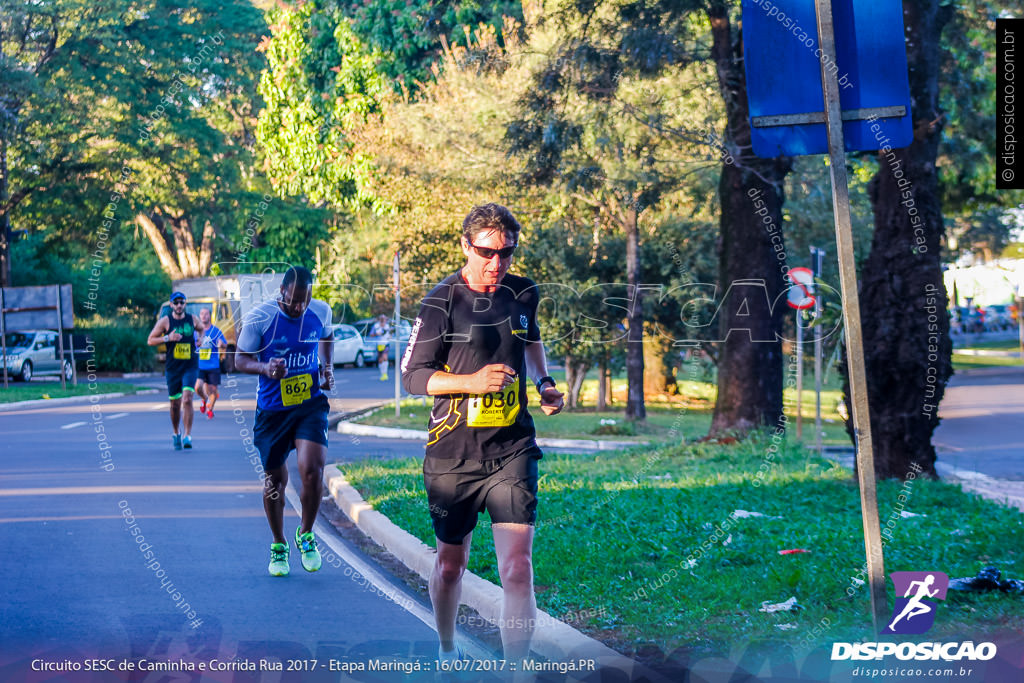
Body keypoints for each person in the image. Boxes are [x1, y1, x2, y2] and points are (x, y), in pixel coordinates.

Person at [401, 203, 565, 666]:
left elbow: (530, 339)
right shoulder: (441, 301)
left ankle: (516, 671)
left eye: (507, 253)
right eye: (487, 252)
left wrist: (544, 383)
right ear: (465, 246)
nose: (497, 264)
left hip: (512, 448)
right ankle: (448, 648)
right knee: (451, 567)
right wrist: (470, 384)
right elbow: (413, 377)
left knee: (517, 568)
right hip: (452, 455)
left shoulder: (523, 292)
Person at [234, 266, 334, 577]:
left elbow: (327, 337)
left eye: (304, 300)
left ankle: (305, 534)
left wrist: (327, 367)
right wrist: (265, 368)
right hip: (273, 411)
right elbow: (239, 359)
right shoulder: (259, 318)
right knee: (275, 482)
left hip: (309, 404)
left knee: (312, 469)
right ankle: (279, 544)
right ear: (281, 292)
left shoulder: (320, 311)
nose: (298, 307)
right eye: (292, 301)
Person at [147, 291, 203, 450]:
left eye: (182, 302)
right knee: (175, 404)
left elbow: (201, 329)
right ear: (171, 305)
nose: (179, 305)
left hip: (190, 365)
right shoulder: (165, 321)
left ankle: (187, 435)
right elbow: (150, 340)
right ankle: (176, 432)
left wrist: (201, 338)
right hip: (173, 368)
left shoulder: (192, 319)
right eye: (176, 302)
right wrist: (167, 338)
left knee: (187, 398)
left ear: (185, 304)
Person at [195, 307, 227, 419]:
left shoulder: (216, 331)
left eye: (206, 314)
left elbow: (224, 344)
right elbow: (192, 346)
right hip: (200, 365)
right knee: (198, 387)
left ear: (210, 316)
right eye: (202, 314)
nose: (204, 316)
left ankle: (210, 409)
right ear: (199, 316)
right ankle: (204, 399)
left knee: (212, 390)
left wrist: (221, 344)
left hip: (213, 365)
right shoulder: (196, 332)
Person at [370, 313, 391, 381]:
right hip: (379, 345)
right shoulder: (376, 326)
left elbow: (390, 334)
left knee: (385, 357)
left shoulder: (387, 326)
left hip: (386, 344)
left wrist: (390, 336)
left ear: (385, 320)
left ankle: (385, 374)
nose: (383, 321)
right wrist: (376, 334)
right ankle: (383, 374)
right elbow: (371, 334)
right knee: (380, 360)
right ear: (379, 320)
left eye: (384, 319)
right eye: (381, 319)